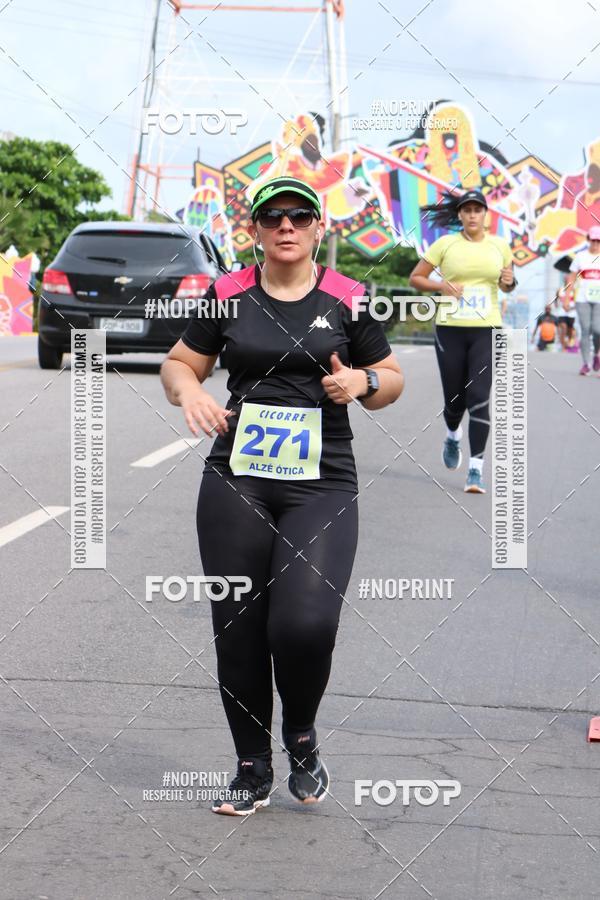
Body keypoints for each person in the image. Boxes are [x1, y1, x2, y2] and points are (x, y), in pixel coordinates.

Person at [160, 176, 404, 815]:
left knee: (304, 622)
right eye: (273, 217)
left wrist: (363, 378)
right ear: (256, 230)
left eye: (300, 216)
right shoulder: (227, 293)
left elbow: (394, 380)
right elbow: (179, 363)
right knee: (237, 625)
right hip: (236, 477)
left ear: (319, 228)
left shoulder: (351, 298)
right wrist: (194, 392)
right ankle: (251, 766)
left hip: (322, 482)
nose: (287, 226)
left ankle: (301, 732)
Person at [409, 189, 516, 493]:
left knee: (479, 397)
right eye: (467, 210)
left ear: (485, 215)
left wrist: (509, 283)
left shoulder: (500, 246)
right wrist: (441, 285)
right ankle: (452, 434)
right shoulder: (446, 244)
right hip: (450, 328)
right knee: (455, 400)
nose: (472, 215)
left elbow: (508, 283)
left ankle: (475, 471)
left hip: (487, 329)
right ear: (459, 215)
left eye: (477, 210)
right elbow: (416, 278)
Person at [564, 226, 600, 375]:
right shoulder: (580, 256)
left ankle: (597, 355)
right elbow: (571, 278)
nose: (596, 243)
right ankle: (586, 363)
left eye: (599, 241)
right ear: (588, 239)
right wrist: (567, 298)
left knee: (597, 329)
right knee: (585, 330)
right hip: (582, 299)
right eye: (593, 240)